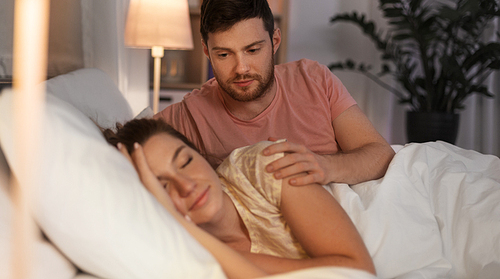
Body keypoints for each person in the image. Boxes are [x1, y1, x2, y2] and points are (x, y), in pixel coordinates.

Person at [155, 0, 394, 186]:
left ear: (275, 41)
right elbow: (124, 148)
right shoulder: (190, 115)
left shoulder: (314, 80)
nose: (241, 68)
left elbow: (380, 155)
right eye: (224, 55)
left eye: (253, 50)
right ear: (207, 53)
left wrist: (324, 166)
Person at [103, 118, 376, 277]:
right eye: (162, 187)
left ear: (199, 153)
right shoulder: (184, 257)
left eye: (185, 161)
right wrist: (181, 227)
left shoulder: (266, 166)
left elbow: (359, 273)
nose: (186, 186)